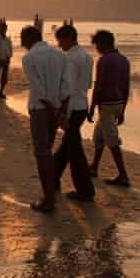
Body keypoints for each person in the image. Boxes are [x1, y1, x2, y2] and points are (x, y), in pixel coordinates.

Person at [20, 25, 69, 213]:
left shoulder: (29, 58)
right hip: (56, 107)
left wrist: (54, 111)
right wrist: (61, 111)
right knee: (47, 151)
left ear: (28, 40)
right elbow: (66, 87)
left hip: (41, 109)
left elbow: (38, 89)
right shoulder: (60, 56)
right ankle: (50, 194)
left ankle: (49, 200)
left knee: (42, 154)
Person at [52, 25, 95, 202]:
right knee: (67, 146)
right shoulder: (86, 56)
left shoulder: (70, 58)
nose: (59, 44)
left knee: (74, 150)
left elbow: (67, 88)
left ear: (69, 38)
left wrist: (62, 113)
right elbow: (86, 84)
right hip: (82, 104)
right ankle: (53, 177)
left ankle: (85, 190)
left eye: (61, 40)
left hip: (72, 107)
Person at [89, 30, 131, 188]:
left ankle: (123, 175)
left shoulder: (104, 60)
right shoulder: (124, 60)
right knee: (99, 136)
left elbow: (99, 86)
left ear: (103, 44)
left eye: (97, 45)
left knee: (112, 140)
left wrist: (92, 106)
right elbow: (126, 86)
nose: (96, 48)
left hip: (107, 104)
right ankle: (94, 166)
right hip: (119, 103)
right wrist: (123, 110)